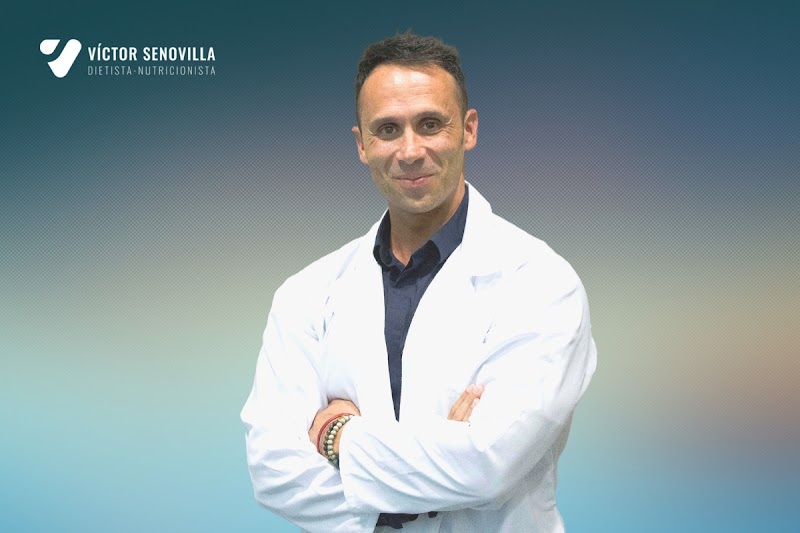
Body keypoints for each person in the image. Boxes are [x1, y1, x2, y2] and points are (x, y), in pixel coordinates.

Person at [241, 32, 597, 532]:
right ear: (361, 145)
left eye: (430, 124)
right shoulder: (306, 295)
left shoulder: (541, 284)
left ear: (468, 130)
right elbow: (273, 472)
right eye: (387, 129)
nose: (410, 150)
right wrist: (444, 460)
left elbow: (488, 464)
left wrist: (337, 436)